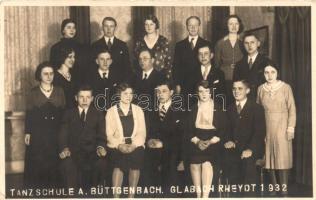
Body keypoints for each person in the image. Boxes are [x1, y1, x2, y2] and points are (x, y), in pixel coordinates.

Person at [24, 62, 65, 189]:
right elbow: (29, 115)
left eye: (51, 73)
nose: (49, 76)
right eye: (45, 74)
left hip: (55, 132)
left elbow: (64, 115)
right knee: (38, 160)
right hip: (38, 133)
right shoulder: (33, 93)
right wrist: (28, 132)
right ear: (39, 76)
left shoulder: (60, 91)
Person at [257, 64, 296, 197]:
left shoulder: (285, 87)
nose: (269, 75)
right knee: (269, 157)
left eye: (272, 72)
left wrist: (290, 128)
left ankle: (283, 187)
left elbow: (292, 109)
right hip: (266, 126)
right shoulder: (260, 89)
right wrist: (259, 131)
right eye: (266, 72)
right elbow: (257, 111)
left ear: (277, 73)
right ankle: (274, 187)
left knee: (282, 157)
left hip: (282, 125)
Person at [58, 85, 107, 191]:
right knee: (67, 165)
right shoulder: (68, 113)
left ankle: (96, 194)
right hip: (73, 152)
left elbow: (102, 136)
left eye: (88, 97)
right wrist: (65, 148)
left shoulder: (98, 114)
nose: (85, 100)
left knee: (101, 163)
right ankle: (72, 195)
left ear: (92, 99)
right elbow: (63, 135)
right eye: (81, 97)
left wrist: (100, 147)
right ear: (76, 98)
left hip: (92, 153)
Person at [223, 80, 266, 197]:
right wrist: (228, 140)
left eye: (240, 88)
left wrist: (250, 150)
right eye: (234, 88)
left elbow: (259, 133)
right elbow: (226, 130)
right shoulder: (229, 109)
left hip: (252, 149)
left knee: (248, 165)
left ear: (247, 90)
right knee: (229, 163)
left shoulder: (257, 108)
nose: (236, 91)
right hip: (234, 149)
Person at [185, 80, 226, 198]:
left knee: (207, 164)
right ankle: (198, 195)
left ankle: (205, 196)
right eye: (201, 91)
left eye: (206, 91)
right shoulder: (193, 109)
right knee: (194, 164)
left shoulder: (218, 108)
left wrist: (211, 141)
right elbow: (188, 130)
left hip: (213, 142)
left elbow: (223, 129)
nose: (204, 94)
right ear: (197, 93)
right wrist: (197, 141)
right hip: (197, 141)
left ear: (211, 92)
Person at [106, 83, 146, 198]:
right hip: (117, 145)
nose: (128, 96)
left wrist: (134, 145)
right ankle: (116, 197)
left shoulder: (138, 110)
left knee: (136, 159)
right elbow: (109, 134)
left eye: (130, 94)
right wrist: (119, 145)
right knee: (119, 163)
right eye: (125, 94)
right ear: (119, 95)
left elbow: (142, 132)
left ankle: (131, 196)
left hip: (134, 144)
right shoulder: (111, 112)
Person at [145, 81, 184, 196]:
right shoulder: (150, 111)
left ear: (171, 92)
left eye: (164, 91)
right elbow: (147, 131)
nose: (160, 94)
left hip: (172, 151)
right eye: (158, 92)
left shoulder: (180, 111)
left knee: (170, 167)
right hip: (153, 151)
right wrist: (149, 140)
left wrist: (163, 144)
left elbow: (181, 137)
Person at [173, 16, 212, 102]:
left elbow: (210, 66)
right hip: (184, 84)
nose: (193, 28)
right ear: (187, 27)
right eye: (190, 25)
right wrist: (177, 85)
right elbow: (176, 67)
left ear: (199, 26)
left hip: (201, 84)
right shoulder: (179, 45)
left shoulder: (206, 44)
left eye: (195, 25)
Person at [214, 15, 245, 105]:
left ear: (239, 26)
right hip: (225, 79)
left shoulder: (243, 42)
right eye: (231, 24)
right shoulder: (220, 43)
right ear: (226, 26)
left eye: (236, 24)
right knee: (227, 103)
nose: (234, 26)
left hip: (241, 78)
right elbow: (216, 64)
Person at [91, 17, 131, 81]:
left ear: (115, 28)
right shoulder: (95, 46)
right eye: (106, 26)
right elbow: (92, 67)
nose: (109, 29)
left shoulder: (122, 45)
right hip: (101, 81)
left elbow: (127, 68)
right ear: (102, 28)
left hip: (119, 82)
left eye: (111, 26)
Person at [50, 18, 87, 86]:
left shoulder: (81, 47)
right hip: (61, 82)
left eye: (74, 28)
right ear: (63, 30)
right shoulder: (55, 48)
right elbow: (53, 68)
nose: (72, 30)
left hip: (79, 81)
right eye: (69, 27)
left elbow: (84, 67)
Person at [134, 14, 172, 79]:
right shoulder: (139, 42)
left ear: (156, 25)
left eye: (151, 24)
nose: (149, 27)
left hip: (160, 78)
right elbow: (136, 63)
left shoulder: (163, 41)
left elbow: (168, 63)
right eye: (146, 24)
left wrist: (167, 81)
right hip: (144, 78)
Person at [233, 33, 270, 98]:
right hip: (244, 101)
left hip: (261, 100)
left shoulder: (267, 62)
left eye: (252, 42)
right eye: (246, 43)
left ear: (258, 43)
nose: (249, 45)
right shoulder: (238, 65)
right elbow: (235, 87)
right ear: (243, 45)